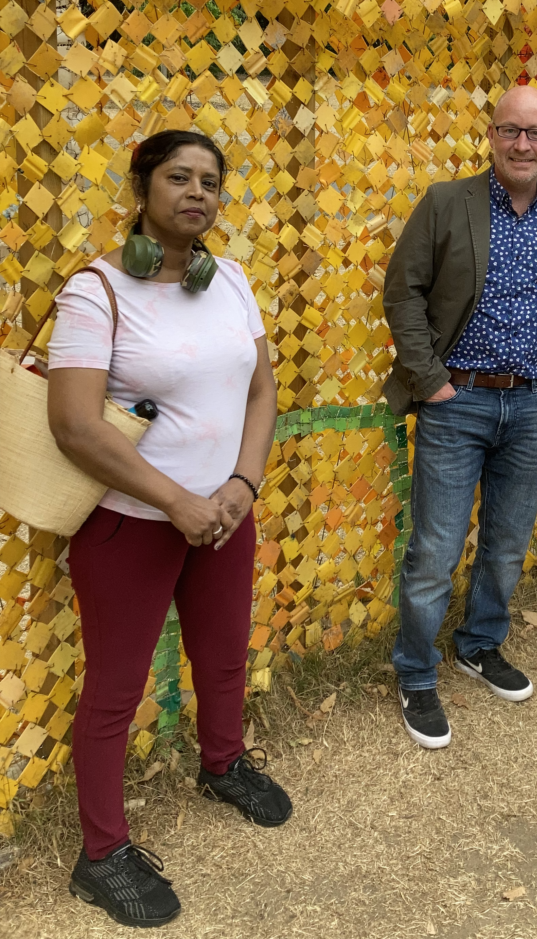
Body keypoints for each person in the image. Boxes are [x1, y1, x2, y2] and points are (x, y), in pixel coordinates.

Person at [47, 130, 291, 927]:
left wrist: (241, 484)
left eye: (210, 182)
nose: (196, 192)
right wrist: (176, 502)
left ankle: (221, 763)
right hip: (131, 526)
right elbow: (77, 426)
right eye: (178, 177)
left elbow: (263, 391)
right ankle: (101, 852)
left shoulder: (235, 284)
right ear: (142, 187)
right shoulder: (97, 291)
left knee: (222, 657)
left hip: (223, 515)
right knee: (115, 693)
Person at [382, 85, 537, 749]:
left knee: (507, 542)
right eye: (511, 130)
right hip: (458, 403)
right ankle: (416, 672)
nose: (523, 144)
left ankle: (479, 644)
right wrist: (433, 382)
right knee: (435, 550)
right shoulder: (448, 203)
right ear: (492, 135)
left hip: (530, 407)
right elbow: (403, 290)